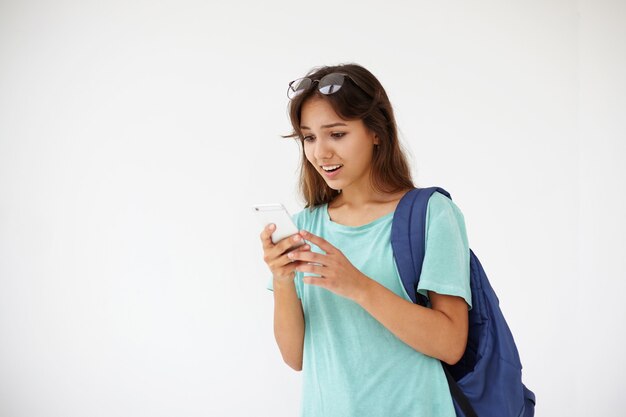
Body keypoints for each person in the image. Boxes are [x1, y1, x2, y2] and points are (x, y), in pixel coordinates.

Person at [259, 63, 472, 417]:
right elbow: (295, 357)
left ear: (376, 131)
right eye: (309, 137)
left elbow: (451, 344)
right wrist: (283, 279)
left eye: (337, 134)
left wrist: (357, 285)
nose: (320, 152)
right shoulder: (306, 225)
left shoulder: (432, 213)